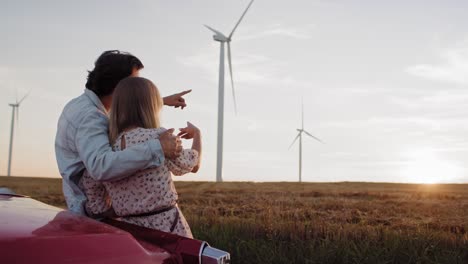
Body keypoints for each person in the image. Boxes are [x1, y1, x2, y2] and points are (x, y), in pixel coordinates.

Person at [55, 50, 191, 216]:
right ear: (119, 86)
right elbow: (101, 166)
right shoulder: (91, 117)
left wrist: (159, 101)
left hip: (90, 206)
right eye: (135, 83)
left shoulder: (80, 104)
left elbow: (121, 111)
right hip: (95, 214)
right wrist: (158, 147)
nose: (137, 88)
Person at [80, 77, 202, 238]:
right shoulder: (160, 138)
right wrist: (197, 135)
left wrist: (114, 210)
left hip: (130, 234)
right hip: (168, 230)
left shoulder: (108, 149)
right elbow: (194, 165)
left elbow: (91, 189)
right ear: (152, 106)